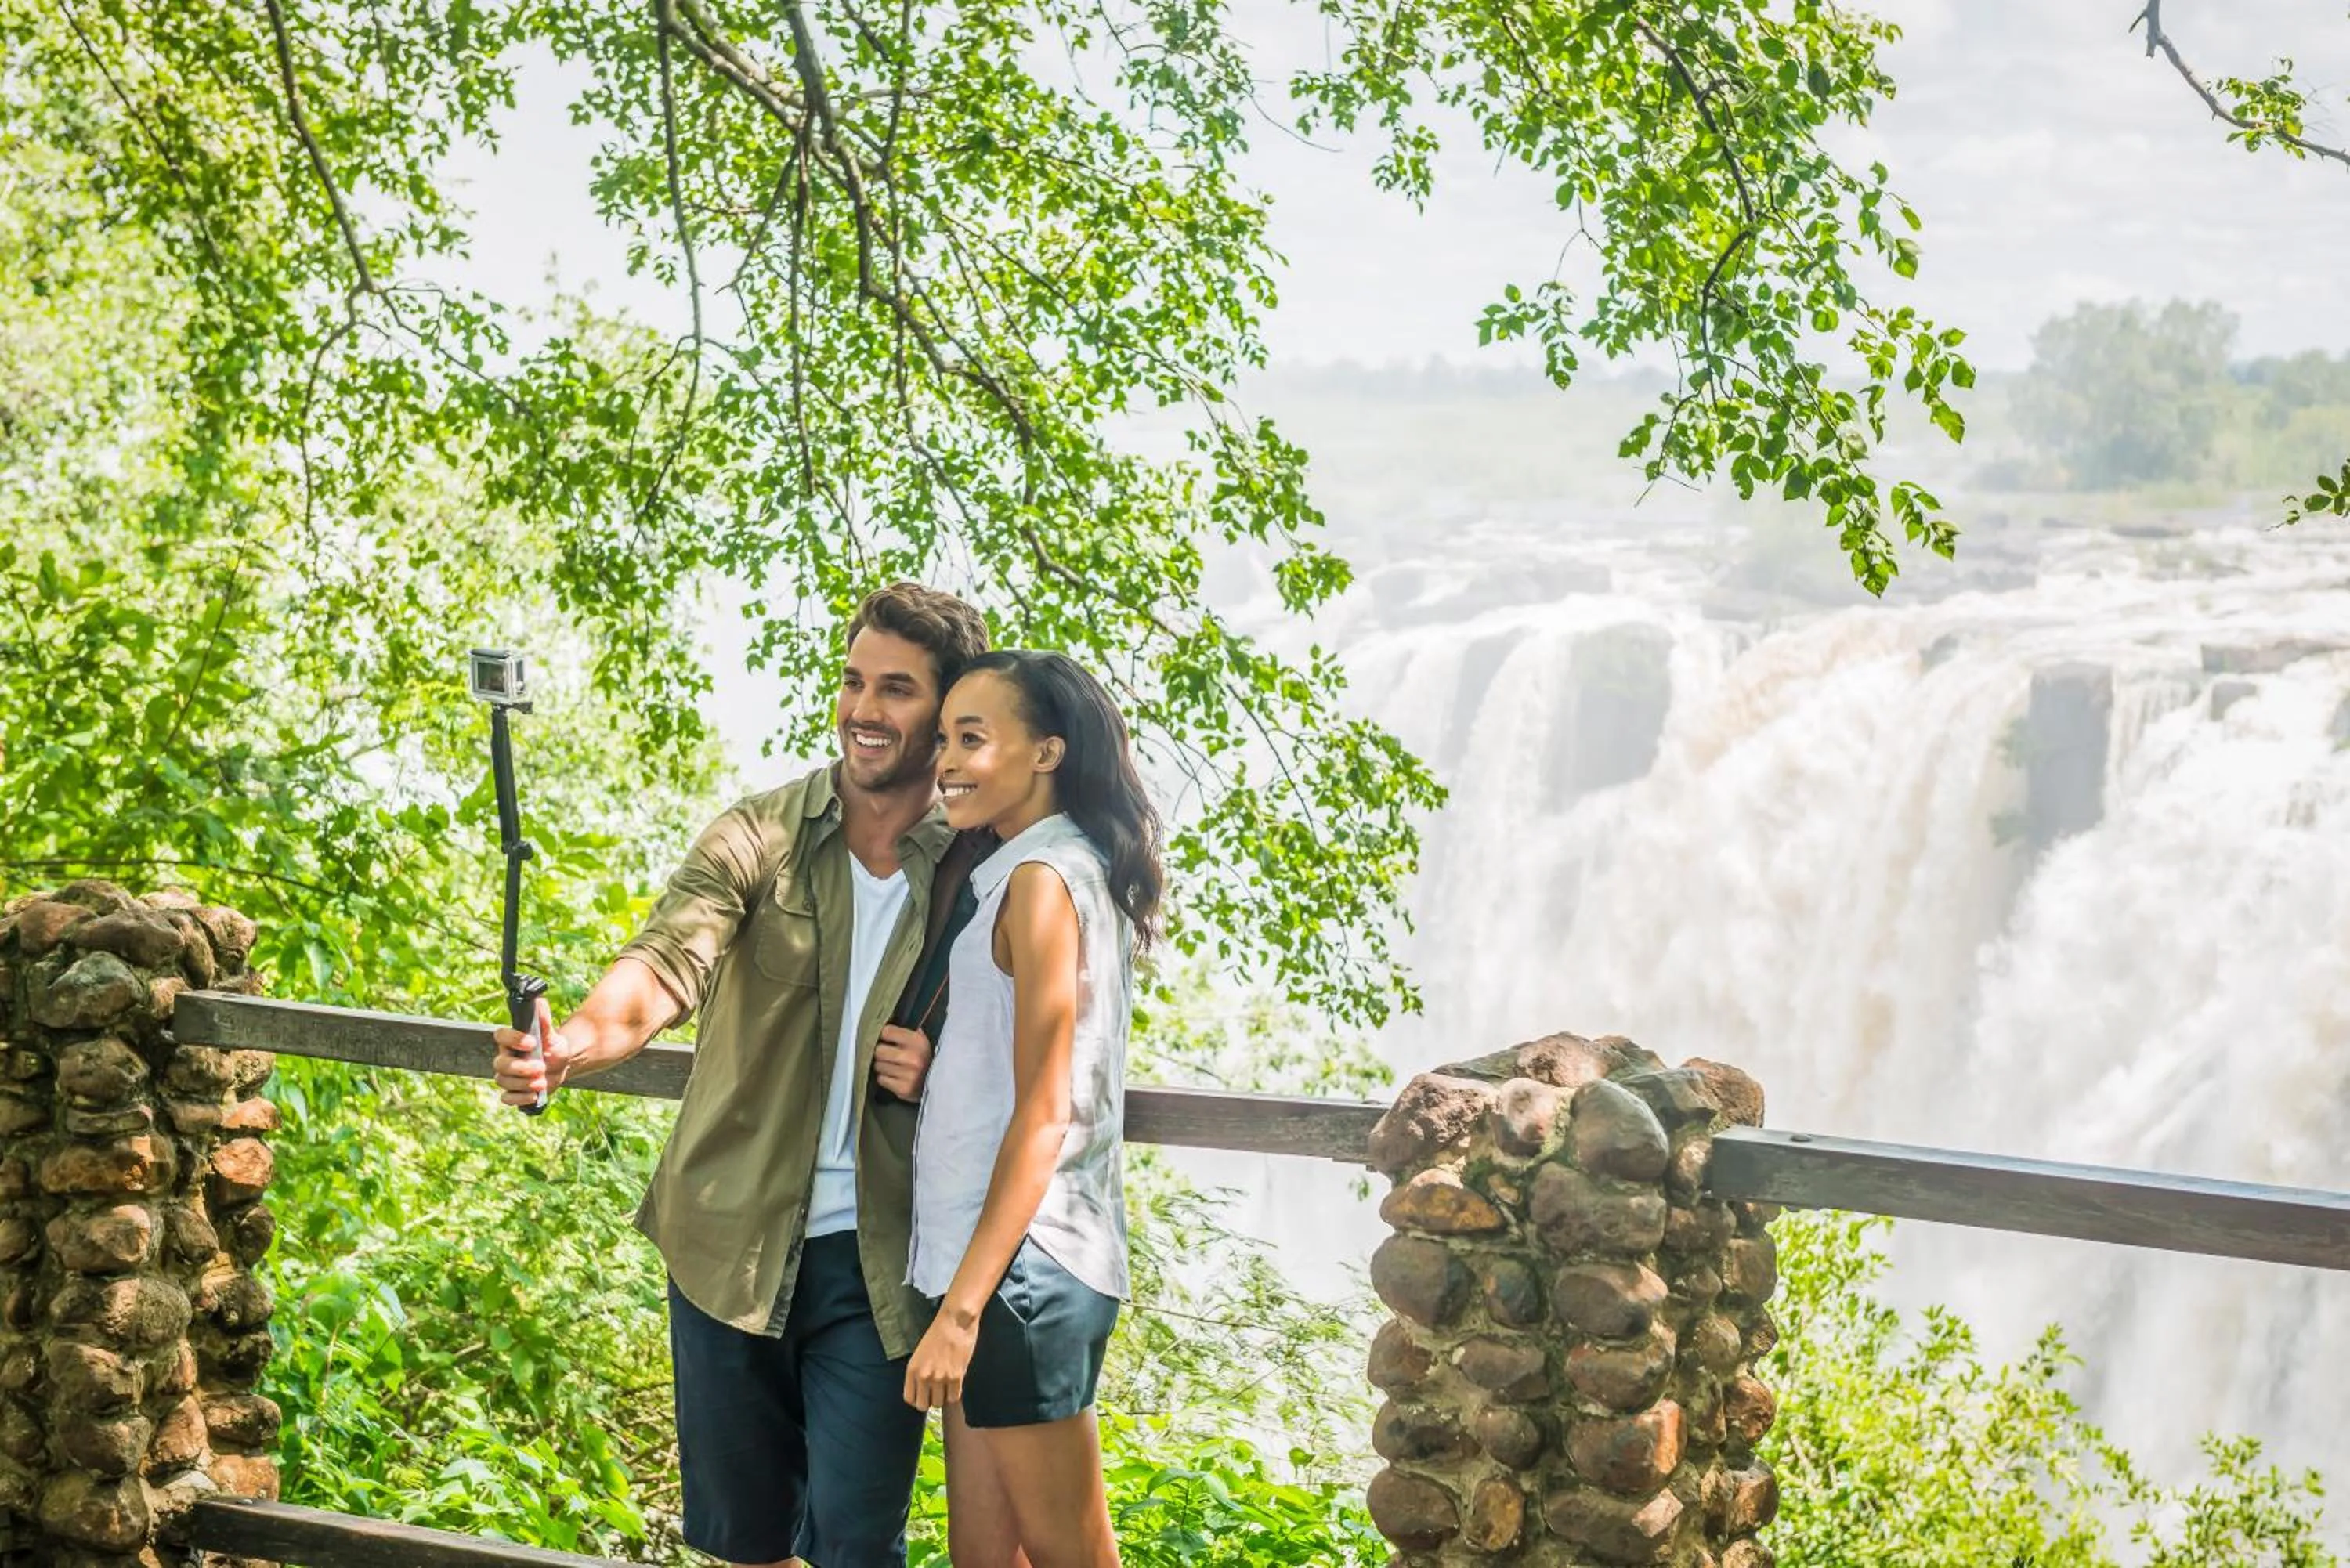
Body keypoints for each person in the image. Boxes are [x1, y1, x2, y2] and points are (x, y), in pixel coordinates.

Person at [489, 583, 991, 1568]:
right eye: (853, 682)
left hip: (882, 1261)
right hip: (728, 1240)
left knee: (855, 1545)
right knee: (745, 1545)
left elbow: (1035, 1033)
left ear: (946, 714)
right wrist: (571, 1045)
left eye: (896, 689)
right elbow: (664, 965)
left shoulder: (980, 866)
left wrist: (947, 1062)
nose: (863, 710)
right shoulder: (758, 834)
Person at [899, 649, 1163, 1568]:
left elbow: (1046, 1111)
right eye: (944, 739)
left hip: (1020, 1271)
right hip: (999, 1261)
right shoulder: (1044, 869)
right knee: (985, 1557)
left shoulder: (1043, 883)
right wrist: (933, 1068)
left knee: (1069, 1557)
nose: (947, 761)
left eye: (974, 738)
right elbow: (1013, 1064)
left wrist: (963, 1312)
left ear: (1046, 752)